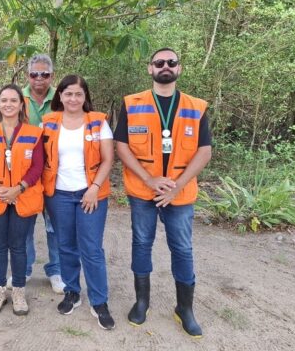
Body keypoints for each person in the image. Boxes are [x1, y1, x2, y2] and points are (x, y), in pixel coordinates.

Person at [115, 48, 211, 337]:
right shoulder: (132, 103)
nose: (165, 66)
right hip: (142, 190)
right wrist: (149, 179)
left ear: (179, 69)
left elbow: (204, 151)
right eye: (159, 62)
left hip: (179, 195)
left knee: (182, 249)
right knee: (142, 243)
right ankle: (141, 302)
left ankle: (185, 309)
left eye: (171, 62)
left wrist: (176, 187)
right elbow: (122, 146)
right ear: (150, 69)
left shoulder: (197, 106)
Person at [42, 74, 115, 330]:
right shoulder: (48, 122)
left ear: (85, 97)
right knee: (66, 246)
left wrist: (94, 188)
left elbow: (108, 159)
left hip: (90, 195)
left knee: (92, 248)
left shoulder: (98, 122)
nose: (73, 98)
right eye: (68, 93)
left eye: (78, 94)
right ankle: (72, 292)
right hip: (58, 195)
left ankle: (99, 301)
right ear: (59, 96)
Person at [0, 84, 44, 316]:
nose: (8, 104)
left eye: (13, 100)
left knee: (18, 245)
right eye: (3, 100)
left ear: (21, 105)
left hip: (23, 197)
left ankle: (18, 290)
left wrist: (18, 188)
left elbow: (37, 166)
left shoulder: (34, 133)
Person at [19, 54, 65, 294]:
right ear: (28, 76)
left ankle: (56, 270)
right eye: (34, 74)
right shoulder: (18, 99)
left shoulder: (62, 98)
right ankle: (24, 269)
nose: (39, 79)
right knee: (24, 224)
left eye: (44, 74)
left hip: (56, 174)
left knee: (54, 226)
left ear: (51, 76)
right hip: (24, 174)